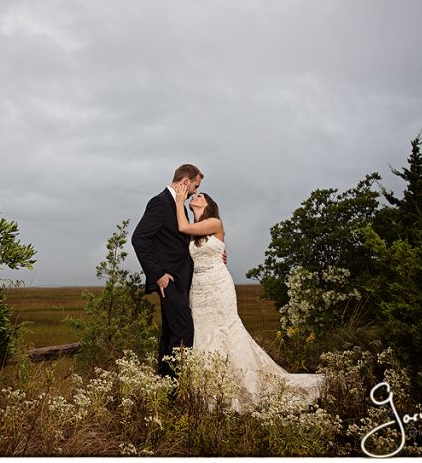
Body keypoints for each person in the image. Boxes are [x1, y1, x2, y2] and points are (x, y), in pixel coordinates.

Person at [172, 183, 323, 405]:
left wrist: (179, 201)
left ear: (209, 205)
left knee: (226, 328)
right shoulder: (194, 233)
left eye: (200, 195)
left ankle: (242, 383)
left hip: (218, 285)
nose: (195, 196)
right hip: (199, 287)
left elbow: (183, 227)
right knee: (203, 331)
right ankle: (209, 387)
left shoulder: (214, 222)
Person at [131, 164, 203, 377]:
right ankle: (175, 386)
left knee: (171, 333)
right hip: (169, 281)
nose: (195, 192)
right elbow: (139, 239)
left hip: (181, 280)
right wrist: (158, 275)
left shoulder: (179, 207)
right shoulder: (160, 203)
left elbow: (179, 245)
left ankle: (164, 383)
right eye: (195, 186)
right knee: (183, 331)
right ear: (185, 182)